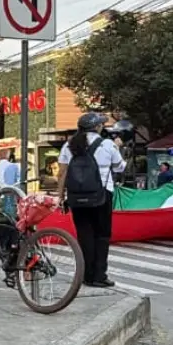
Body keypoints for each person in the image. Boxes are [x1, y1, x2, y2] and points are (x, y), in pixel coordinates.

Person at [58, 112, 126, 288]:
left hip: (75, 196)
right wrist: (119, 147)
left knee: (84, 234)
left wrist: (60, 196)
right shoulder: (107, 144)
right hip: (102, 195)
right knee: (102, 235)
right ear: (97, 127)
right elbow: (120, 167)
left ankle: (86, 275)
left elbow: (62, 173)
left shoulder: (69, 145)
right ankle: (99, 275)